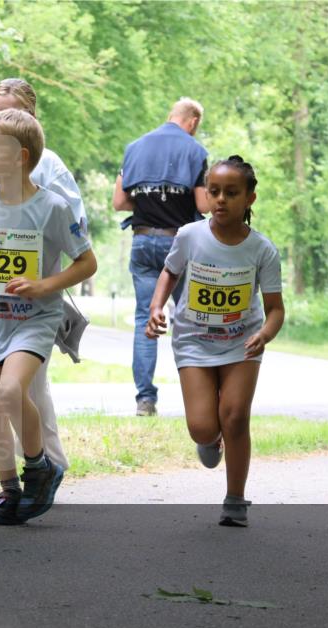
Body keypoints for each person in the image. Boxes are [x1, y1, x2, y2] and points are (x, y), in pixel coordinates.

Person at [0, 109, 97, 525]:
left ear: (20, 156)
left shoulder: (52, 208)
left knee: (10, 392)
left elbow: (86, 263)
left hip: (34, 318)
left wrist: (45, 285)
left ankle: (39, 467)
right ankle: (9, 490)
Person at [145, 156, 284, 528]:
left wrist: (264, 334)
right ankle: (210, 441)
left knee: (235, 417)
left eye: (231, 193)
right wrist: (157, 307)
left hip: (242, 343)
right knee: (203, 427)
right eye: (214, 191)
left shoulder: (262, 250)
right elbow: (169, 272)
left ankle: (236, 499)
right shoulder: (190, 235)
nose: (221, 199)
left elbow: (275, 310)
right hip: (194, 340)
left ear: (250, 199)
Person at [113, 98, 211, 417]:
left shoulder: (135, 147)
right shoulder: (195, 152)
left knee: (145, 319)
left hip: (142, 241)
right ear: (193, 121)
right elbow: (204, 205)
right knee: (190, 318)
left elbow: (119, 201)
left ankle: (145, 399)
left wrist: (147, 203)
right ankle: (199, 396)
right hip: (178, 243)